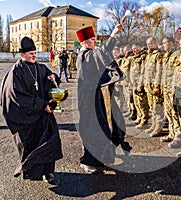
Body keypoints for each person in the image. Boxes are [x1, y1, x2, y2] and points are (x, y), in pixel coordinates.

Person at [0, 36, 63, 185]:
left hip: (43, 116)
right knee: (31, 145)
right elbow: (16, 97)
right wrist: (42, 105)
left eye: (35, 53)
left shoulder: (40, 67)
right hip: (26, 118)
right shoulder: (16, 72)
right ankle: (32, 171)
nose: (34, 56)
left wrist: (54, 78)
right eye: (31, 54)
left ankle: (48, 172)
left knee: (49, 141)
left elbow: (53, 83)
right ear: (22, 55)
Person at [76, 25, 131, 173]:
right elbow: (102, 53)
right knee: (91, 130)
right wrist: (113, 34)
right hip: (88, 100)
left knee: (104, 127)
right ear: (83, 42)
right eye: (92, 40)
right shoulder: (85, 55)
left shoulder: (90, 54)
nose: (95, 42)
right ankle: (88, 161)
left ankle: (102, 158)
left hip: (98, 96)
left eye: (95, 39)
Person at [141, 37, 164, 137]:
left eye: (151, 43)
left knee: (157, 107)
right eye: (148, 43)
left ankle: (159, 127)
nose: (149, 45)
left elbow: (159, 71)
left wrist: (157, 85)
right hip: (148, 85)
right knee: (152, 107)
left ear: (155, 43)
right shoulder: (148, 55)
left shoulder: (158, 55)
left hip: (154, 85)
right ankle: (154, 124)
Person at [160, 37, 181, 143]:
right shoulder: (166, 55)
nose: (164, 45)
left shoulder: (177, 55)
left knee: (175, 113)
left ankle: (178, 136)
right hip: (166, 88)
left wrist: (175, 91)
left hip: (173, 89)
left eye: (165, 43)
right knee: (168, 112)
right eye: (163, 43)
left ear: (172, 43)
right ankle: (172, 133)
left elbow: (177, 74)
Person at [130, 42, 149, 129]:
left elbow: (143, 72)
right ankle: (139, 117)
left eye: (137, 48)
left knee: (142, 103)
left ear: (141, 48)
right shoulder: (134, 58)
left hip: (139, 83)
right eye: (133, 48)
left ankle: (144, 120)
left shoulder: (143, 57)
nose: (135, 50)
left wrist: (140, 84)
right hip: (134, 83)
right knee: (137, 102)